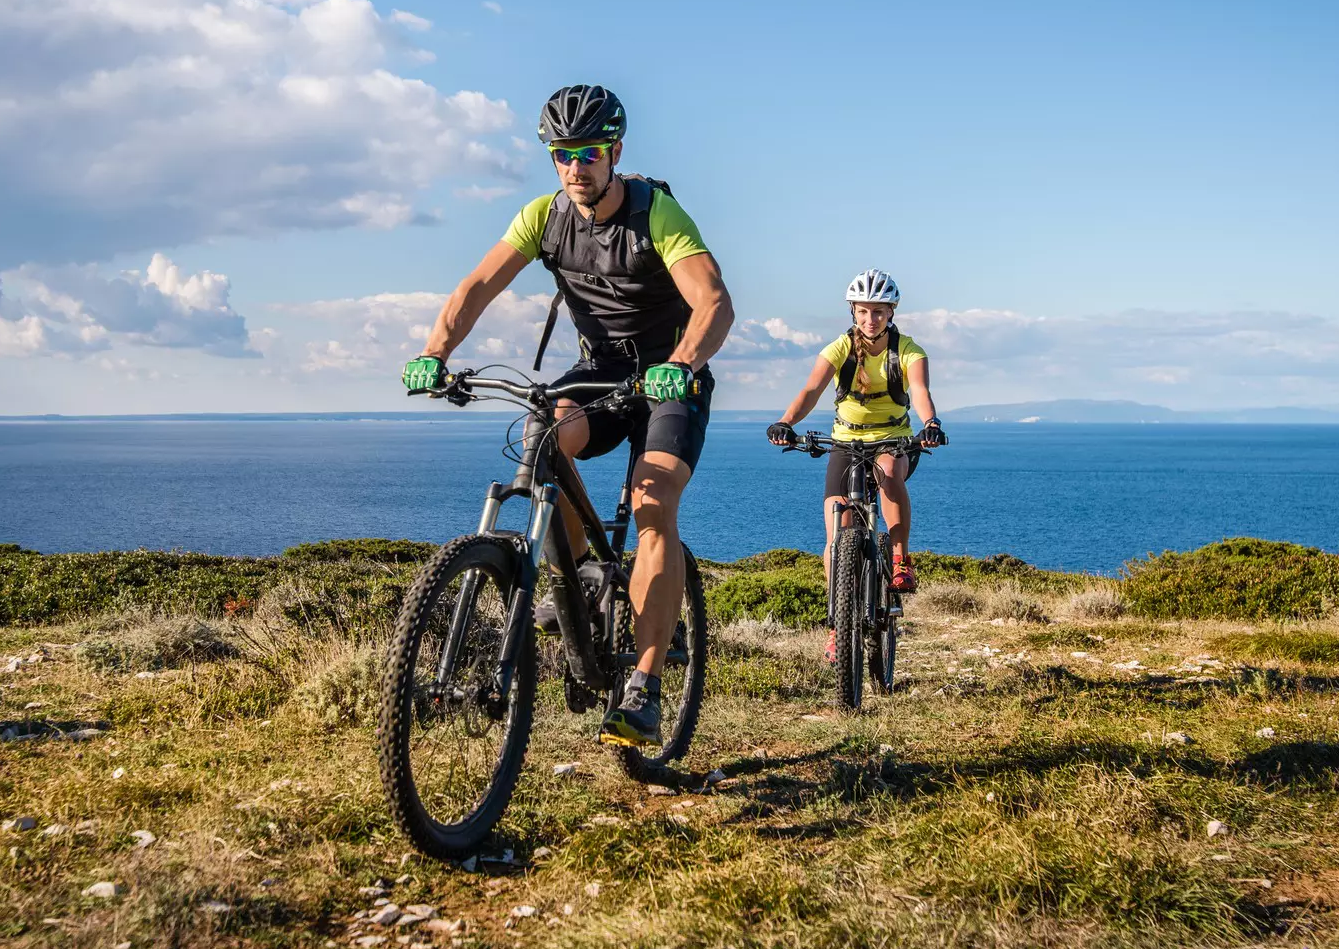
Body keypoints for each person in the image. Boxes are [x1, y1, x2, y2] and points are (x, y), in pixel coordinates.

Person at [402, 84, 734, 748]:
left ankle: (642, 687)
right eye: (561, 155)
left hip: (671, 373)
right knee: (542, 432)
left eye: (587, 153)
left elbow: (713, 301)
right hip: (603, 367)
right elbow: (477, 286)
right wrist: (435, 351)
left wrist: (685, 360)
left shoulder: (656, 215)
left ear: (613, 151)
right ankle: (578, 582)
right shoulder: (544, 216)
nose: (575, 167)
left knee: (652, 503)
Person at [767, 269, 946, 660]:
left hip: (893, 438)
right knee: (836, 525)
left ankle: (899, 558)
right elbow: (811, 390)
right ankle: (837, 624)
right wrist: (786, 422)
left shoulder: (909, 350)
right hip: (846, 441)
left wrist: (930, 423)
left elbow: (919, 390)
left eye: (879, 312)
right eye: (864, 312)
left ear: (891, 312)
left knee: (887, 474)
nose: (870, 319)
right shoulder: (840, 348)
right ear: (853, 311)